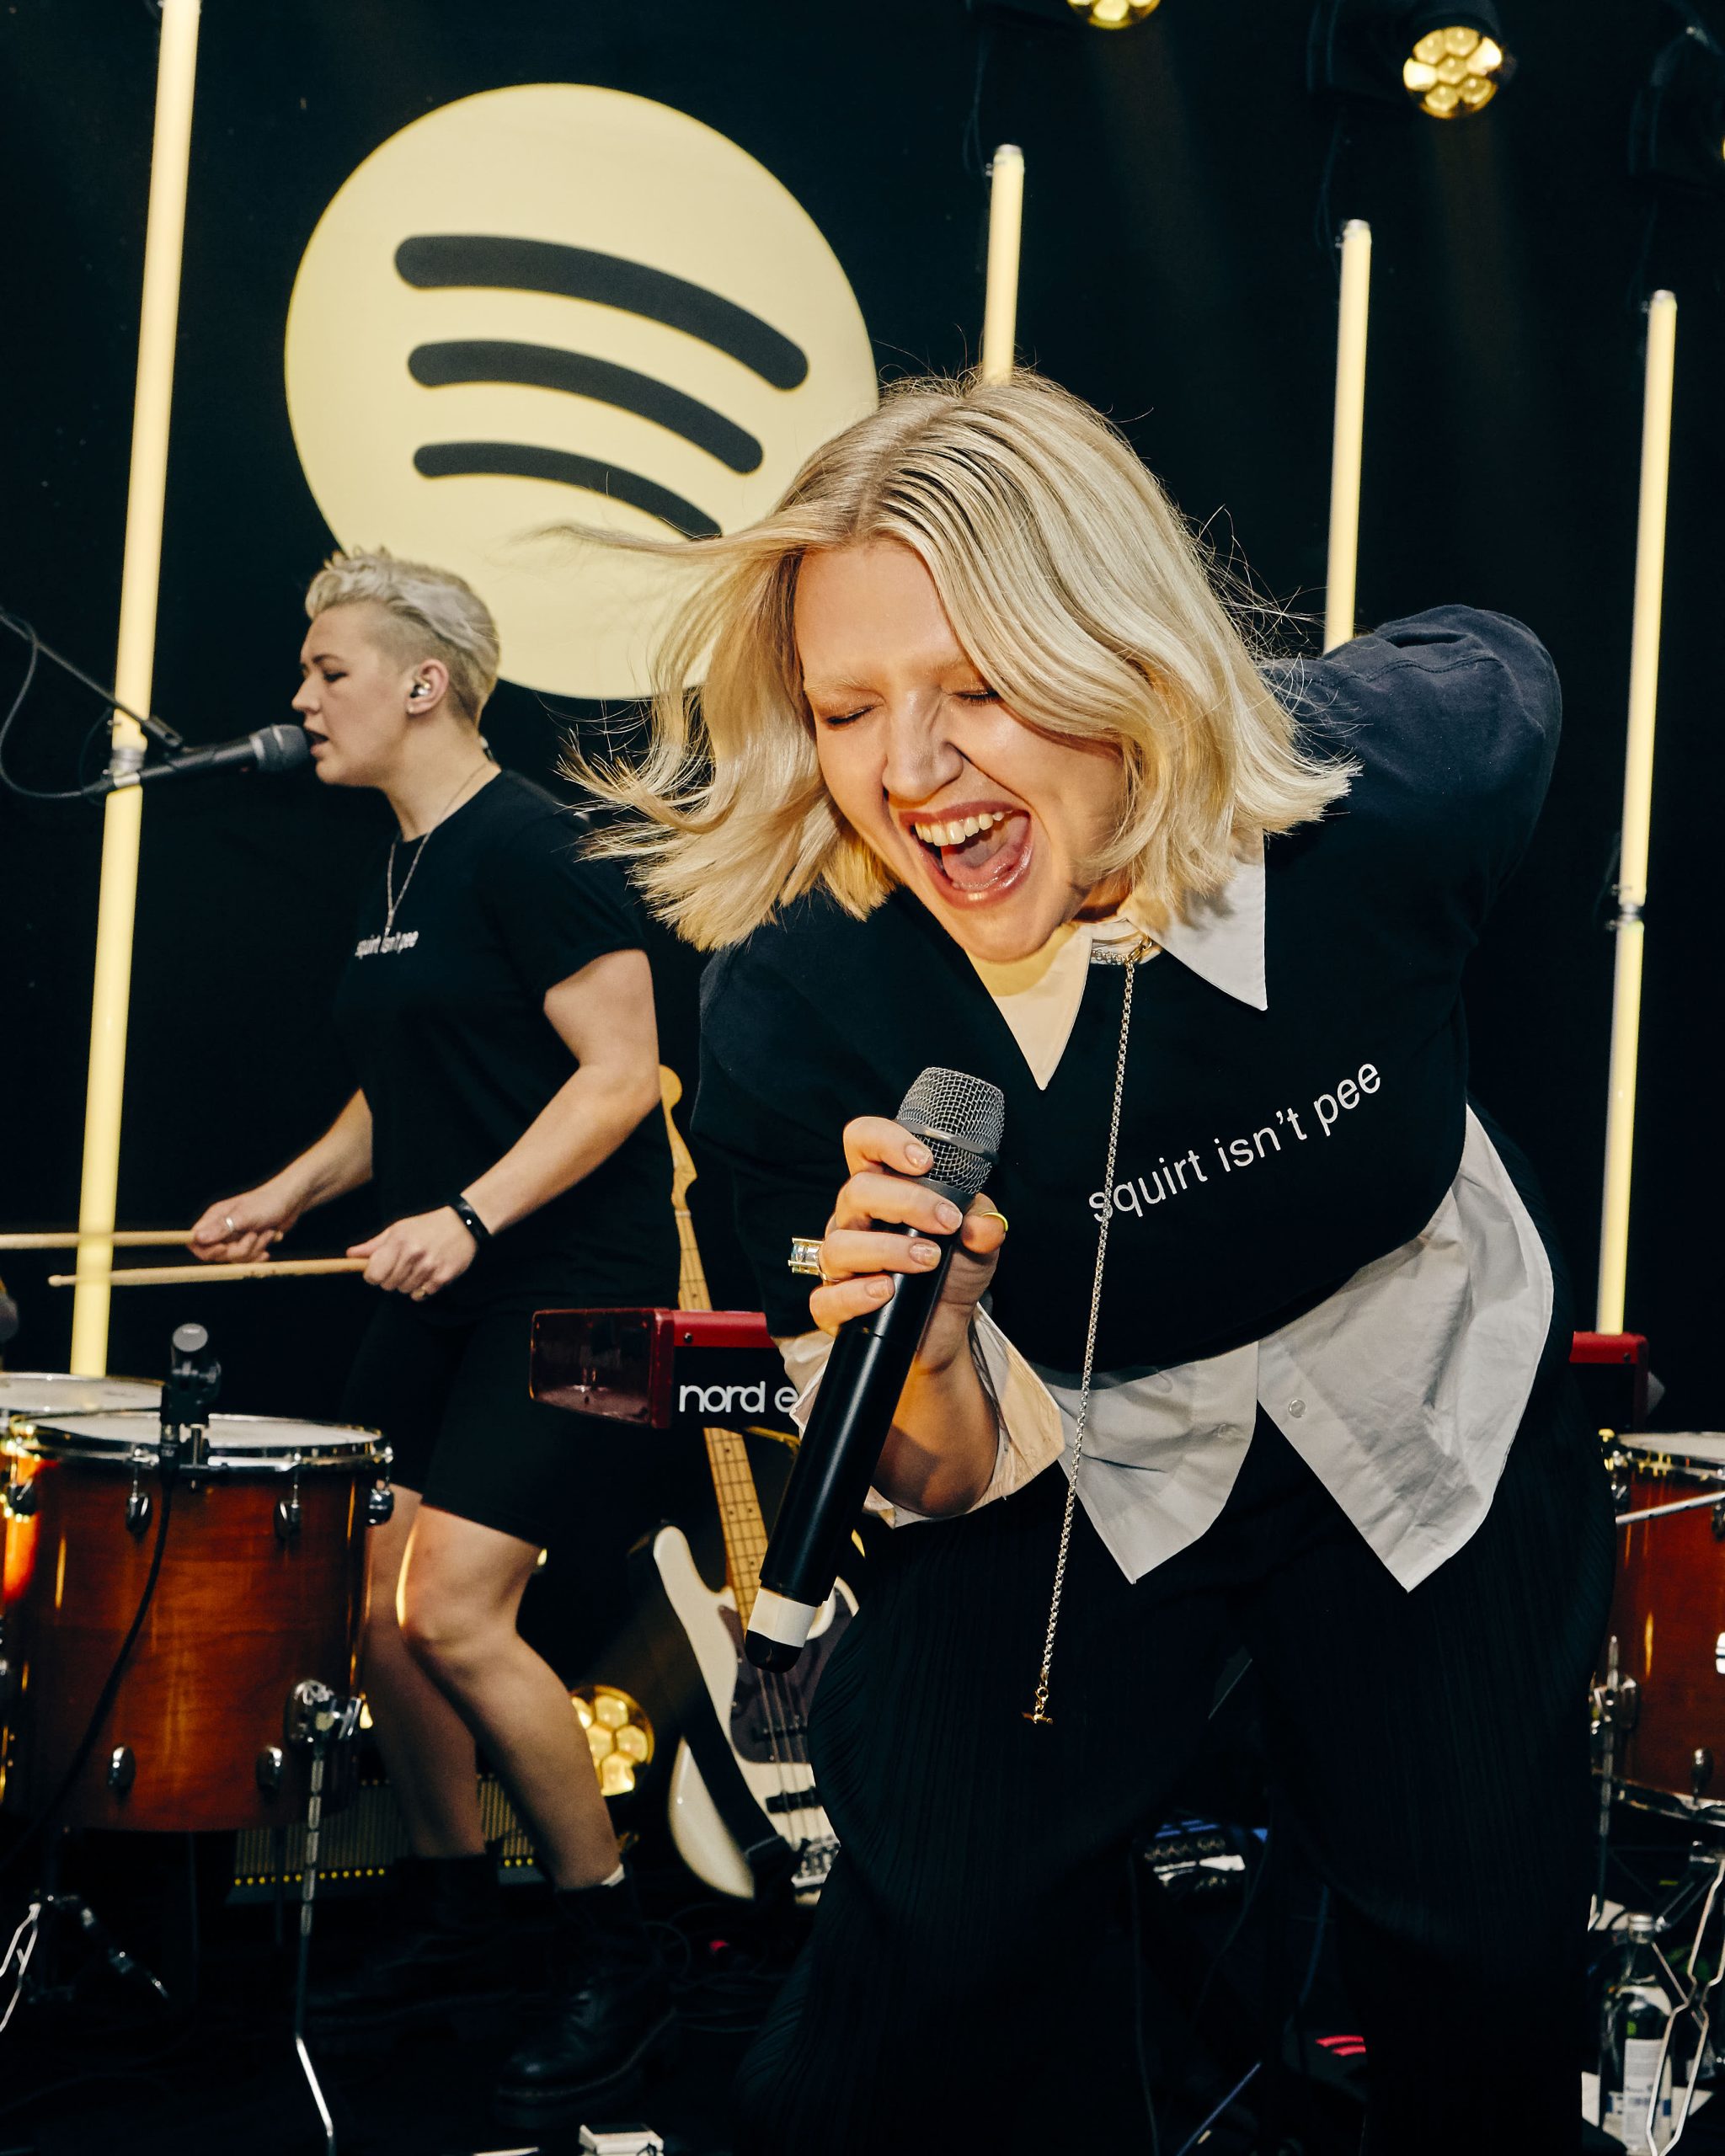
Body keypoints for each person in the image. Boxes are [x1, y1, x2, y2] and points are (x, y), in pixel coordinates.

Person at [582, 372, 1615, 2151]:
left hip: (1417, 1381)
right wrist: (928, 1340)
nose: (909, 773)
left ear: (1120, 654)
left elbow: (1503, 658)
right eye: (847, 709)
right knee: (932, 1941)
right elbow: (937, 1462)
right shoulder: (799, 1012)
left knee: (1480, 1955)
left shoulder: (1408, 791)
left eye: (980, 685)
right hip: (1074, 1432)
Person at [190, 551, 679, 2127]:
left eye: (329, 667)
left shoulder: (531, 847)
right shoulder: (400, 869)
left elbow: (621, 1078)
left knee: (455, 1611)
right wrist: (289, 1189)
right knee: (375, 1606)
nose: (300, 695)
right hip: (459, 1288)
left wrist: (465, 1216)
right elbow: (405, 1082)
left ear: (425, 682)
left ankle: (615, 1950)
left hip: (591, 1295)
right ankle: (455, 1917)